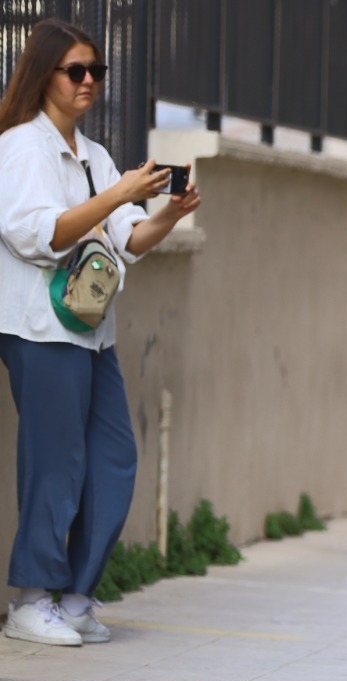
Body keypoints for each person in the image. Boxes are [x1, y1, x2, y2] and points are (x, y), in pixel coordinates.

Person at [0, 18, 201, 646]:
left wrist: (169, 212)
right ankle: (31, 599)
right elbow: (39, 235)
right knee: (55, 462)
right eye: (75, 71)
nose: (89, 81)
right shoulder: (22, 148)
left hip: (90, 330)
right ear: (44, 75)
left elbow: (131, 239)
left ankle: (77, 596)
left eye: (97, 71)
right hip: (39, 328)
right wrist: (117, 194)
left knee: (113, 458)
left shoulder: (95, 155)